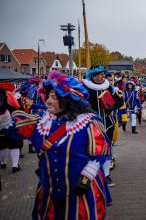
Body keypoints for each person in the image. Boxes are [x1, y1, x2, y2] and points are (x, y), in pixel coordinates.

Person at [2, 71, 112, 220]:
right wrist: (4, 111)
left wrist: (87, 175)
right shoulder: (43, 121)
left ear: (68, 100)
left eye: (54, 97)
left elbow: (100, 152)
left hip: (80, 192)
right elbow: (12, 134)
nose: (48, 101)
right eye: (48, 96)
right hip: (51, 191)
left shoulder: (88, 122)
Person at [82, 65, 124, 187]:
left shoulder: (109, 88)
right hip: (91, 125)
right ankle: (91, 174)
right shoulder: (85, 89)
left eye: (102, 75)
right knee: (92, 149)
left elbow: (120, 102)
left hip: (108, 124)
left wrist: (112, 107)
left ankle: (106, 175)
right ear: (92, 76)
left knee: (107, 148)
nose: (100, 77)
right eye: (97, 75)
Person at [0, 82, 23, 172]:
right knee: (15, 145)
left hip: (1, 127)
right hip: (11, 126)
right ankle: (15, 165)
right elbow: (17, 108)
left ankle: (3, 163)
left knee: (2, 145)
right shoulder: (10, 96)